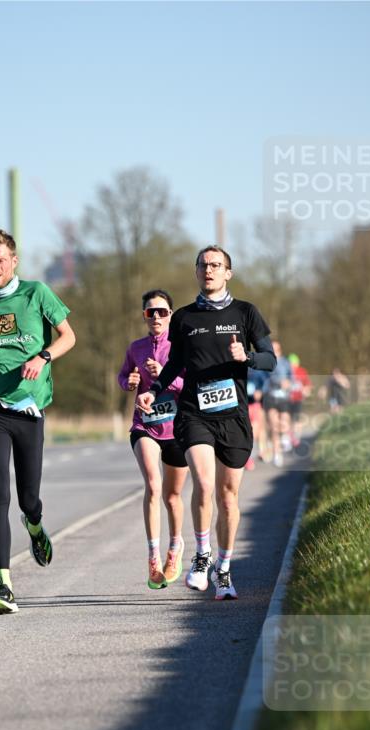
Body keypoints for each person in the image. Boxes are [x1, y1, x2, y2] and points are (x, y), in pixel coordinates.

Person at [137, 245, 276, 601]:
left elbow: (270, 360)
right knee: (203, 481)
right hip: (194, 412)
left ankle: (223, 569)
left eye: (216, 265)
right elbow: (175, 364)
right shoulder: (184, 318)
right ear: (196, 271)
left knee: (228, 497)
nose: (209, 270)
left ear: (228, 272)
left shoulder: (246, 312)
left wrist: (247, 356)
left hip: (233, 416)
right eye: (203, 265)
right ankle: (202, 556)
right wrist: (154, 390)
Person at [0, 230, 76, 614]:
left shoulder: (36, 293)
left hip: (28, 408)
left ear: (14, 261)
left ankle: (35, 525)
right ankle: (4, 585)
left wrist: (43, 357)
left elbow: (68, 337)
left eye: (0, 260)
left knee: (28, 500)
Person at [118, 290, 189, 589]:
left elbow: (191, 385)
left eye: (162, 311)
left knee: (172, 496)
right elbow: (123, 376)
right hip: (144, 425)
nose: (156, 317)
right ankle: (153, 557)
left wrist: (164, 375)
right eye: (150, 312)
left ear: (171, 314)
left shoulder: (182, 346)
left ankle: (175, 547)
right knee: (153, 485)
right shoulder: (136, 348)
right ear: (144, 316)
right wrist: (129, 382)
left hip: (177, 428)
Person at [262, 339, 293, 467]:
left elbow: (291, 377)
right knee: (274, 426)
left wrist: (289, 383)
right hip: (270, 396)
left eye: (276, 348)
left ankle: (285, 436)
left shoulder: (286, 362)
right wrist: (278, 382)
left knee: (284, 420)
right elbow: (265, 378)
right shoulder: (266, 362)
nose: (274, 351)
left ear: (279, 349)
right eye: (272, 348)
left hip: (283, 397)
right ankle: (277, 453)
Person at [245, 368, 270, 470]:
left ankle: (258, 452)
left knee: (257, 430)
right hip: (242, 405)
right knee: (249, 431)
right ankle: (250, 455)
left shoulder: (259, 370)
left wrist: (260, 391)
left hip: (256, 405)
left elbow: (267, 382)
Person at [287, 352, 312, 448]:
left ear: (297, 363)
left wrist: (306, 391)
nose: (292, 366)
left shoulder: (301, 371)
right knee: (288, 418)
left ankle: (296, 437)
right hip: (287, 399)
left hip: (298, 399)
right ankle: (290, 437)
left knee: (296, 419)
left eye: (294, 363)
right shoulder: (286, 372)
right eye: (291, 364)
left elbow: (308, 384)